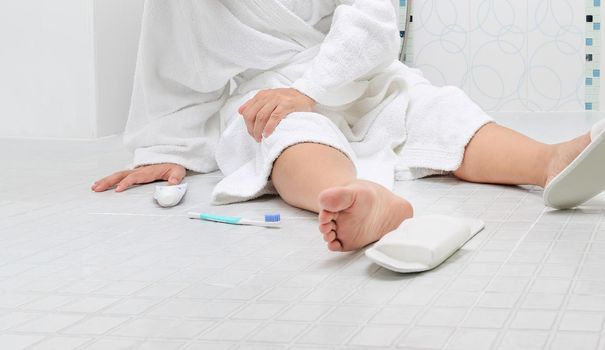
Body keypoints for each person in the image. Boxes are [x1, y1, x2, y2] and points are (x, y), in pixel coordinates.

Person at [92, 0, 601, 252]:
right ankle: (355, 196)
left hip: (352, 72)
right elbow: (173, 63)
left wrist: (314, 86)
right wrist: (168, 145)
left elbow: (372, 20)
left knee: (432, 107)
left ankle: (551, 161)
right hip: (266, 90)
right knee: (288, 137)